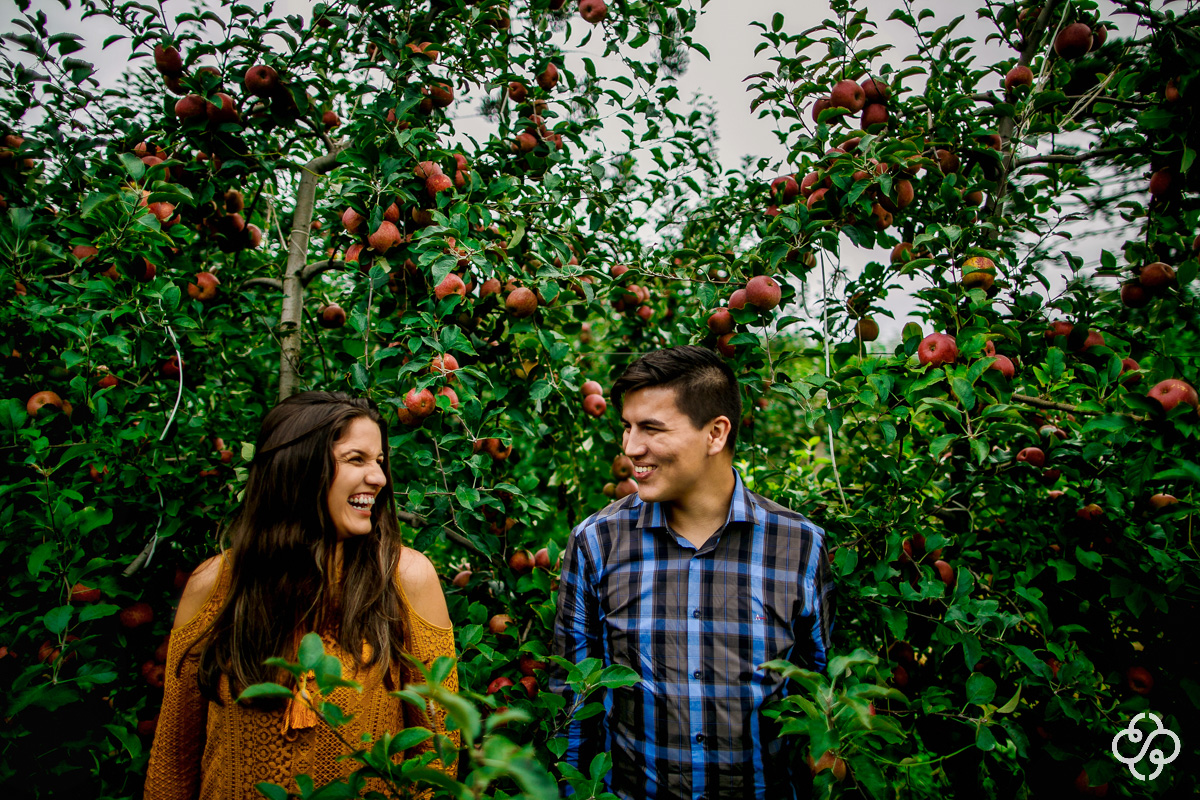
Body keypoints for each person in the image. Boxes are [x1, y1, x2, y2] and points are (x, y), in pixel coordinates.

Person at [145, 392, 459, 799]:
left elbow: (438, 750)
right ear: (298, 469)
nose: (379, 478)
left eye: (379, 462)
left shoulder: (405, 580)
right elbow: (174, 759)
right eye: (356, 459)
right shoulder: (215, 586)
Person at [552, 346, 834, 800]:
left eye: (652, 428)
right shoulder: (596, 544)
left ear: (715, 433)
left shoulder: (798, 547)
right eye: (627, 427)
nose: (630, 448)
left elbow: (820, 703)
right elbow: (574, 708)